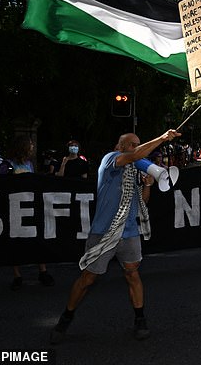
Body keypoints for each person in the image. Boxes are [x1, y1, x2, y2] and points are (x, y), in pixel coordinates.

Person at [50, 129, 180, 344]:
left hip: (129, 232)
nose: (136, 148)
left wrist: (147, 185)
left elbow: (142, 203)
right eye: (132, 144)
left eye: (138, 144)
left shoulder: (133, 172)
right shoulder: (110, 160)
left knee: (132, 273)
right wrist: (162, 138)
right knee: (88, 278)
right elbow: (136, 156)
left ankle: (140, 319)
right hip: (104, 232)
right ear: (119, 147)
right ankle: (65, 318)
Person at [7, 135, 54, 290]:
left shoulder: (29, 164)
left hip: (30, 205)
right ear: (24, 147)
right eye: (31, 145)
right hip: (15, 207)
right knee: (15, 240)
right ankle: (17, 275)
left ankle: (43, 271)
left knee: (37, 236)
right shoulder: (9, 164)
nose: (33, 148)